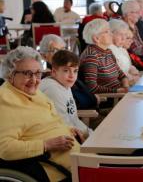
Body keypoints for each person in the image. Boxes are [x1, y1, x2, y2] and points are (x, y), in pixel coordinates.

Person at [0, 46, 80, 181]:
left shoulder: (35, 93)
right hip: (56, 170)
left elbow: (49, 122)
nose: (34, 80)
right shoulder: (5, 100)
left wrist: (70, 130)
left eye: (38, 73)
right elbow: (5, 148)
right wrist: (46, 145)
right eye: (27, 73)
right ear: (10, 74)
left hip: (75, 160)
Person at [40, 50, 92, 138]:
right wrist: (88, 136)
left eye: (75, 71)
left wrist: (90, 133)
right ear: (54, 72)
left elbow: (74, 118)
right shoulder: (52, 89)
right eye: (66, 70)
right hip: (59, 137)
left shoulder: (64, 84)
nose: (72, 75)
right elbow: (64, 125)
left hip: (71, 133)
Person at [80, 19, 129, 94]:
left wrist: (126, 87)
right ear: (96, 38)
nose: (111, 34)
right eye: (107, 32)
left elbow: (121, 75)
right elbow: (92, 88)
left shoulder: (108, 51)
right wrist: (116, 91)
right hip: (109, 99)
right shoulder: (91, 56)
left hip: (119, 94)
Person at [108, 19, 140, 85]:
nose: (123, 38)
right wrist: (132, 79)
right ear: (110, 34)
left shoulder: (121, 48)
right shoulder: (108, 50)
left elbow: (127, 65)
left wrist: (132, 69)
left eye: (125, 35)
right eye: (120, 34)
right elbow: (117, 76)